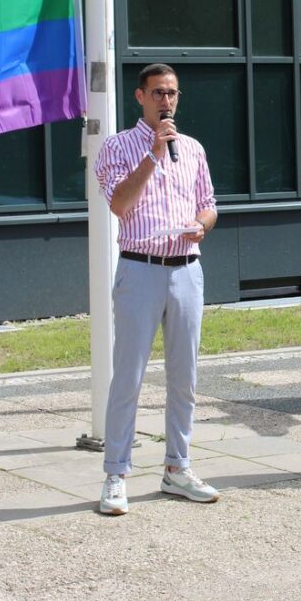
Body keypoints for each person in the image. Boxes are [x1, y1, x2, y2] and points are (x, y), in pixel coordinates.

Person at [95, 63, 219, 515]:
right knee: (128, 376)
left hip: (186, 269)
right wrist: (151, 154)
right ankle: (115, 473)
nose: (167, 100)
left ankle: (177, 469)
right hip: (140, 270)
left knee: (184, 378)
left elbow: (209, 206)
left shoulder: (193, 149)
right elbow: (120, 204)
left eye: (173, 93)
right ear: (140, 97)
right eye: (158, 92)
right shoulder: (117, 147)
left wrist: (201, 227)